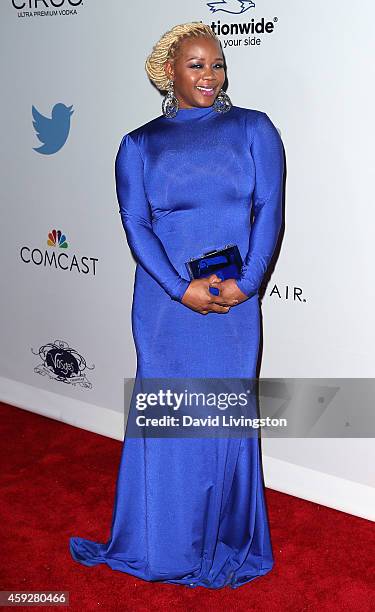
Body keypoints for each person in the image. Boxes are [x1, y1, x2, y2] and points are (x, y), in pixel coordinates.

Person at [70, 21, 284, 590]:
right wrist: (178, 288)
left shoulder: (253, 129)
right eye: (196, 65)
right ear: (171, 73)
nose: (209, 76)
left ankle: (225, 538)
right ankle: (162, 541)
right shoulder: (139, 144)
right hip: (166, 307)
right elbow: (136, 226)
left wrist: (251, 280)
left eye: (216, 65)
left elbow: (269, 207)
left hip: (236, 300)